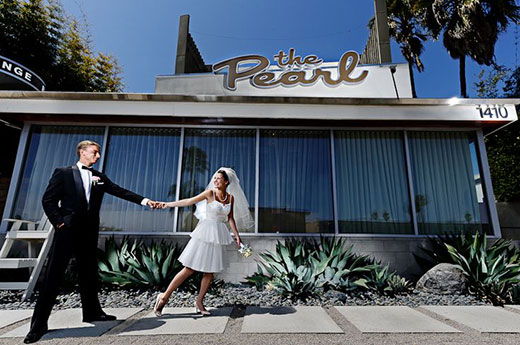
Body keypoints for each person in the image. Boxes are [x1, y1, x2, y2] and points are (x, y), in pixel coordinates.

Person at [24, 140, 159, 344]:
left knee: (88, 273)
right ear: (82, 152)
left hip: (89, 232)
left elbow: (119, 191)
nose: (97, 156)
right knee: (53, 275)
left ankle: (92, 313)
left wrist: (144, 201)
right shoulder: (63, 173)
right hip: (67, 231)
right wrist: (59, 223)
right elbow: (48, 200)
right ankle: (38, 326)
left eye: (98, 153)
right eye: (94, 153)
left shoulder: (99, 177)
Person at [153, 167, 253, 317]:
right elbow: (189, 201)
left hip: (219, 233)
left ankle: (199, 302)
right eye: (215, 178)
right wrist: (166, 204)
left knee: (209, 272)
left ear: (226, 182)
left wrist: (237, 236)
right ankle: (164, 297)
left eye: (219, 178)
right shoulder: (210, 193)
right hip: (205, 232)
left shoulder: (230, 198)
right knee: (189, 269)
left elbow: (230, 218)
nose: (215, 180)